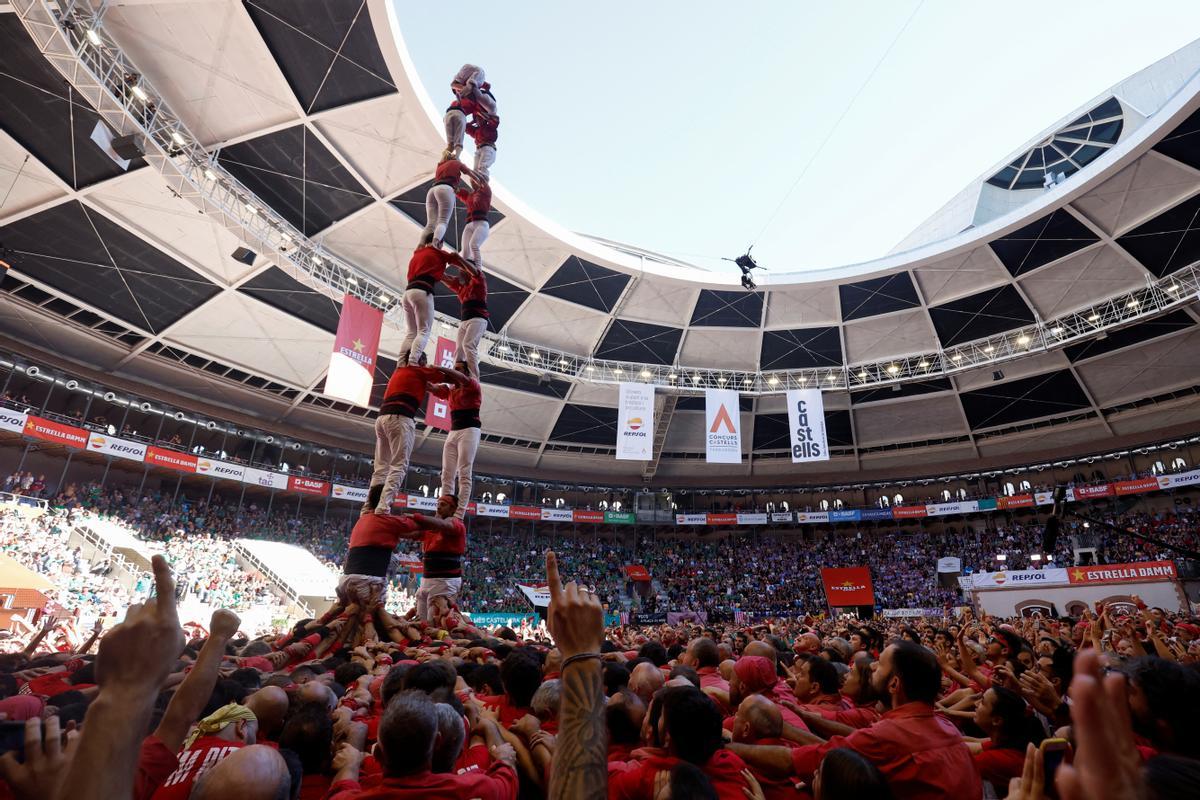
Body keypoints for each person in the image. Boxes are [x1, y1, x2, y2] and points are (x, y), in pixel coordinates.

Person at [728, 642, 982, 800]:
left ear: (894, 684)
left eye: (879, 666)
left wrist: (725, 747)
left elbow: (794, 761)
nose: (870, 668)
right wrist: (793, 726)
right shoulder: (944, 726)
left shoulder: (889, 735)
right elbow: (846, 743)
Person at [366, 356, 466, 515]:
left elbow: (434, 388)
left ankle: (367, 508)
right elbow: (452, 378)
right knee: (398, 466)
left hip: (381, 418)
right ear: (419, 361)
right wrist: (438, 368)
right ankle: (383, 508)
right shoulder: (419, 370)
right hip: (400, 417)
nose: (426, 363)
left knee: (380, 468)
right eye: (424, 360)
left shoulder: (399, 371)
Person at [397, 245, 473, 367]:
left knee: (411, 333)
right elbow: (457, 260)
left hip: (408, 292)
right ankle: (412, 362)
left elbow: (446, 278)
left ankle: (401, 363)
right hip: (422, 291)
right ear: (441, 242)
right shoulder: (439, 253)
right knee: (424, 331)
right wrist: (464, 264)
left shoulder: (418, 252)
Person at [429, 360, 483, 520]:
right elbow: (430, 387)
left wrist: (440, 368)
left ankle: (458, 515)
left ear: (466, 373)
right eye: (454, 369)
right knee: (446, 474)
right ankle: (443, 511)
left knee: (464, 473)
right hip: (453, 431)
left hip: (469, 430)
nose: (455, 372)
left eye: (459, 370)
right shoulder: (451, 391)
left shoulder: (473, 385)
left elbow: (459, 378)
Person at [403, 493, 469, 621]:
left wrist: (417, 517)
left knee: (435, 621)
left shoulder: (457, 525)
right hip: (427, 580)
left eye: (443, 505)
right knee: (422, 621)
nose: (438, 508)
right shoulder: (432, 529)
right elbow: (413, 533)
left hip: (445, 581)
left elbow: (443, 525)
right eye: (438, 504)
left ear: (453, 509)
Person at [969, 686, 1044, 797]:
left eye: (982, 702)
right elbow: (970, 746)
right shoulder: (1010, 740)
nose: (976, 704)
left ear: (997, 720)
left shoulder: (993, 759)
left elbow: (957, 761)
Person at [442, 64, 499, 179]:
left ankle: (482, 178)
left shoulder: (489, 127)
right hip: (480, 147)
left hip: (488, 146)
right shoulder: (477, 128)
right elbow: (465, 127)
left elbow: (495, 121)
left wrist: (480, 115)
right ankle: (477, 180)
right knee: (476, 167)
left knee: (482, 167)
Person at [441, 268, 489, 379]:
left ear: (469, 273)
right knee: (458, 351)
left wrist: (459, 261)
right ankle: (456, 376)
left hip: (478, 319)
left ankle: (474, 378)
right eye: (459, 272)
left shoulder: (478, 281)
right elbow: (443, 277)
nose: (459, 274)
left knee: (468, 346)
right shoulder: (460, 286)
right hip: (464, 321)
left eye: (462, 272)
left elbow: (475, 271)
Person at [456, 169, 492, 270]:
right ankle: (464, 273)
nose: (471, 181)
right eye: (471, 180)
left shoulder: (486, 191)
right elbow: (456, 190)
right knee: (465, 252)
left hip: (481, 223)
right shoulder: (469, 195)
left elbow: (481, 180)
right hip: (469, 224)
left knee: (473, 245)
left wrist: (469, 171)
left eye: (473, 180)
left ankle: (479, 270)